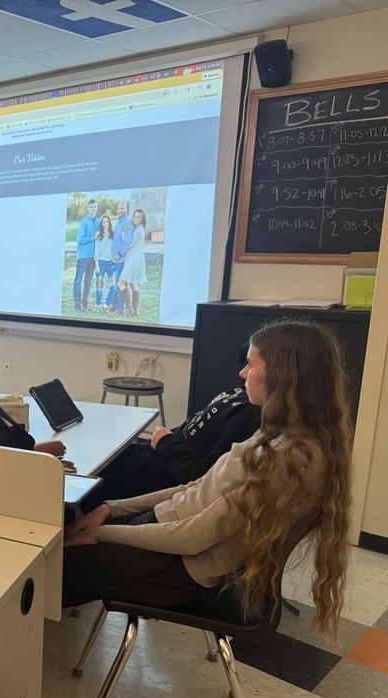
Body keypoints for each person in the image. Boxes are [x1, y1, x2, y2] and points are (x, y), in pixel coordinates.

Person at [63, 319, 351, 640]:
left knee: (59, 563)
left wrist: (101, 534)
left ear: (284, 376)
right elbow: (196, 488)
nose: (242, 373)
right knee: (72, 538)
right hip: (168, 537)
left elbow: (191, 538)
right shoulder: (279, 433)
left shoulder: (287, 460)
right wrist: (110, 509)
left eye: (251, 365)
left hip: (175, 570)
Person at [78, 349, 262, 513]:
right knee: (91, 455)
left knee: (82, 477)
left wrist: (165, 442)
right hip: (153, 456)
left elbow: (203, 478)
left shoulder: (249, 418)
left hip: (156, 476)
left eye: (251, 365)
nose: (242, 372)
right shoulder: (241, 393)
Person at [116, 208, 147, 316]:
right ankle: (134, 310)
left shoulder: (139, 231)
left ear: (142, 220)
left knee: (121, 283)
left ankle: (129, 309)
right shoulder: (139, 229)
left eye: (138, 217)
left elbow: (130, 244)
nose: (135, 218)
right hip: (137, 260)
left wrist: (124, 235)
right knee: (133, 283)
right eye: (134, 216)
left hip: (133, 260)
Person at [107, 200, 134, 314]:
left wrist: (119, 253)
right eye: (118, 208)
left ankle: (119, 309)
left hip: (121, 259)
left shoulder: (127, 222)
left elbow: (127, 241)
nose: (119, 210)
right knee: (115, 283)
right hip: (115, 259)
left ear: (126, 209)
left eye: (122, 208)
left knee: (119, 284)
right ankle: (115, 306)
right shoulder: (119, 222)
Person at [72, 198, 98, 312]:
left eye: (94, 206)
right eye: (91, 206)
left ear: (96, 208)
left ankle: (85, 302)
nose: (93, 208)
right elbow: (80, 239)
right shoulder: (84, 221)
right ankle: (77, 304)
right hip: (83, 256)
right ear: (88, 208)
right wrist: (92, 236)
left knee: (88, 282)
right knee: (78, 281)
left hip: (93, 257)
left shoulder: (98, 221)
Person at [92, 214, 114, 312]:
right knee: (99, 285)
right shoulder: (98, 235)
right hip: (100, 263)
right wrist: (96, 265)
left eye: (107, 221)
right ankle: (98, 305)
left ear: (109, 222)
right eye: (104, 222)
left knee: (114, 284)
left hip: (110, 263)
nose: (106, 223)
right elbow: (96, 250)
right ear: (102, 223)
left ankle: (106, 305)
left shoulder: (113, 234)